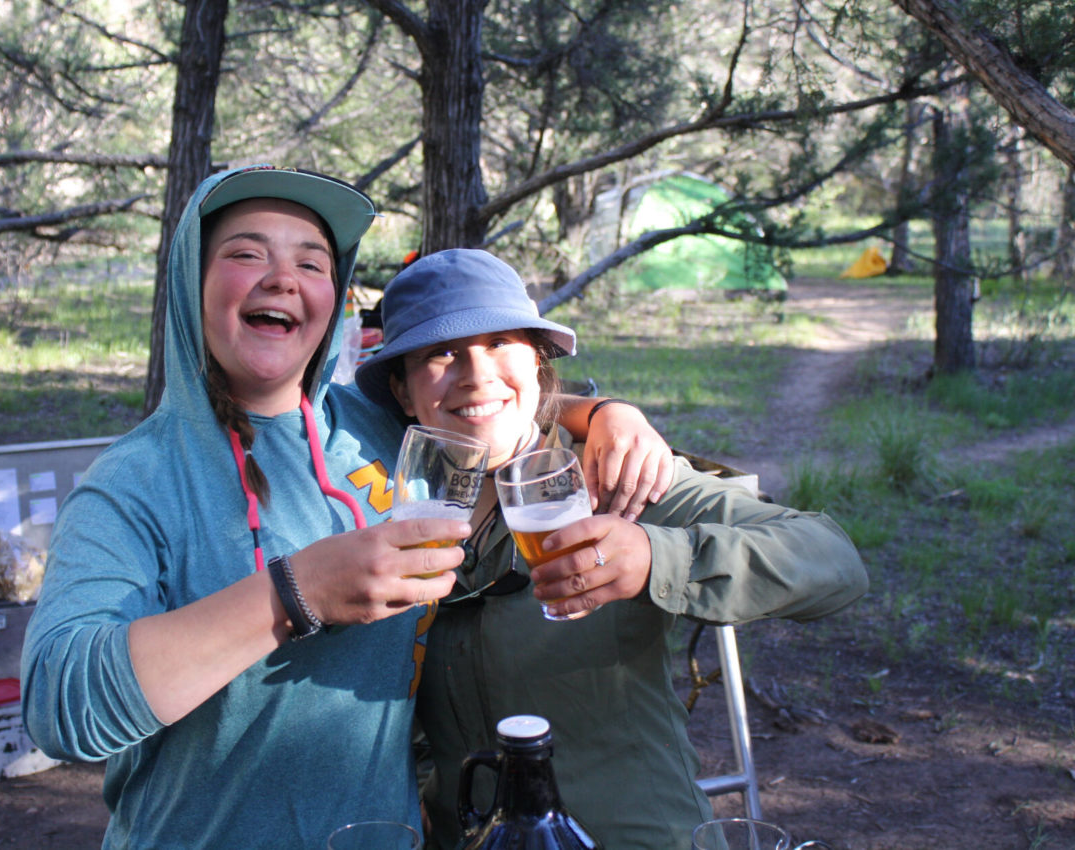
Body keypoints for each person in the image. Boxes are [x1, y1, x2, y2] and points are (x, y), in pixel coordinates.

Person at [20, 166, 672, 850]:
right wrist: (296, 594)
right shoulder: (132, 483)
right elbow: (62, 707)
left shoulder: (383, 431)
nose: (282, 278)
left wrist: (602, 414)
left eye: (312, 261)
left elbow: (483, 401)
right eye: (246, 254)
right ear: (191, 284)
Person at [354, 248, 870, 850]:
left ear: (540, 362)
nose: (476, 373)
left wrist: (657, 558)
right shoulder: (380, 499)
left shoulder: (613, 475)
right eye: (440, 353)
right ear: (402, 390)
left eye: (500, 342)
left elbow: (833, 560)